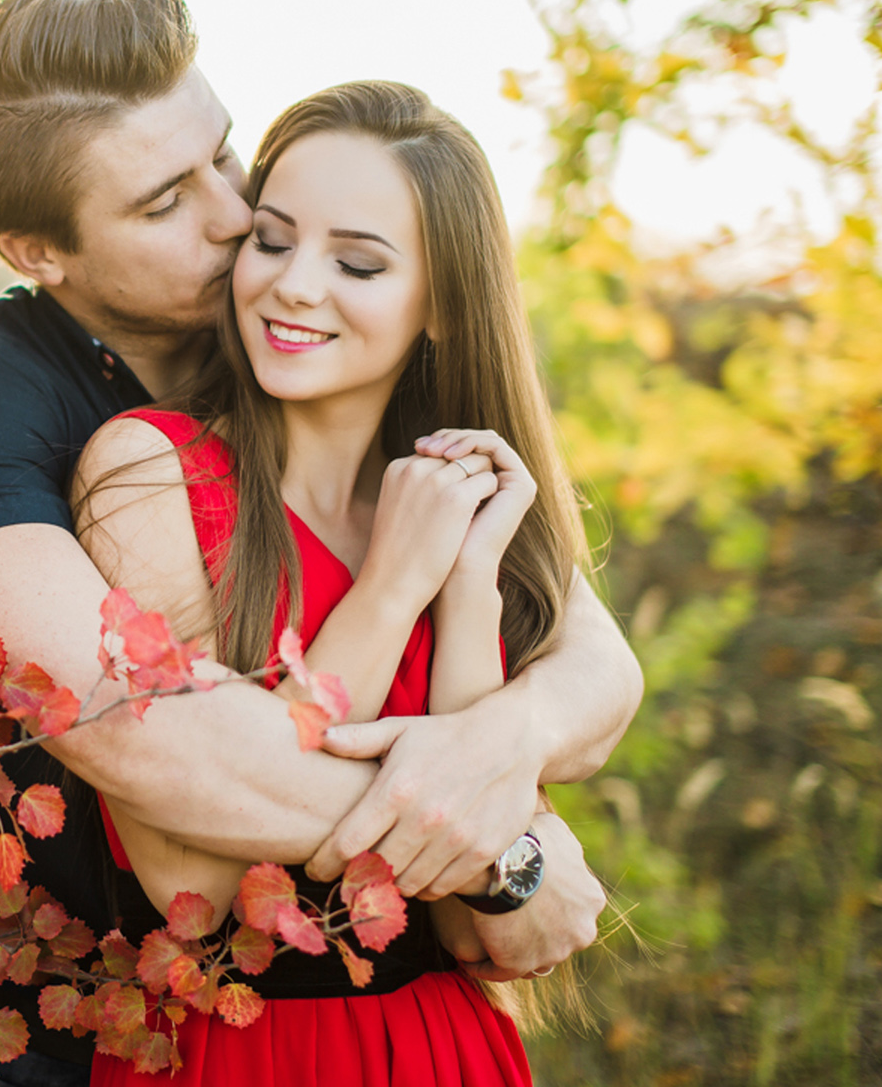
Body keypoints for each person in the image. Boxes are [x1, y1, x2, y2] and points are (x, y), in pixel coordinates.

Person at [0, 0, 640, 1086]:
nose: (238, 220)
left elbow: (594, 672)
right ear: (39, 252)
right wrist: (498, 852)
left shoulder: (328, 359)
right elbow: (163, 750)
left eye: (226, 158)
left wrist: (503, 753)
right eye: (163, 204)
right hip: (103, 1031)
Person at [74, 80, 582, 1085]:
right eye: (271, 239)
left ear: (440, 303)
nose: (295, 286)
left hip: (444, 1049)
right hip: (235, 1051)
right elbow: (198, 884)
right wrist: (390, 590)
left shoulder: (446, 507)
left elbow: (475, 932)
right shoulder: (149, 473)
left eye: (355, 262)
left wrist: (469, 576)